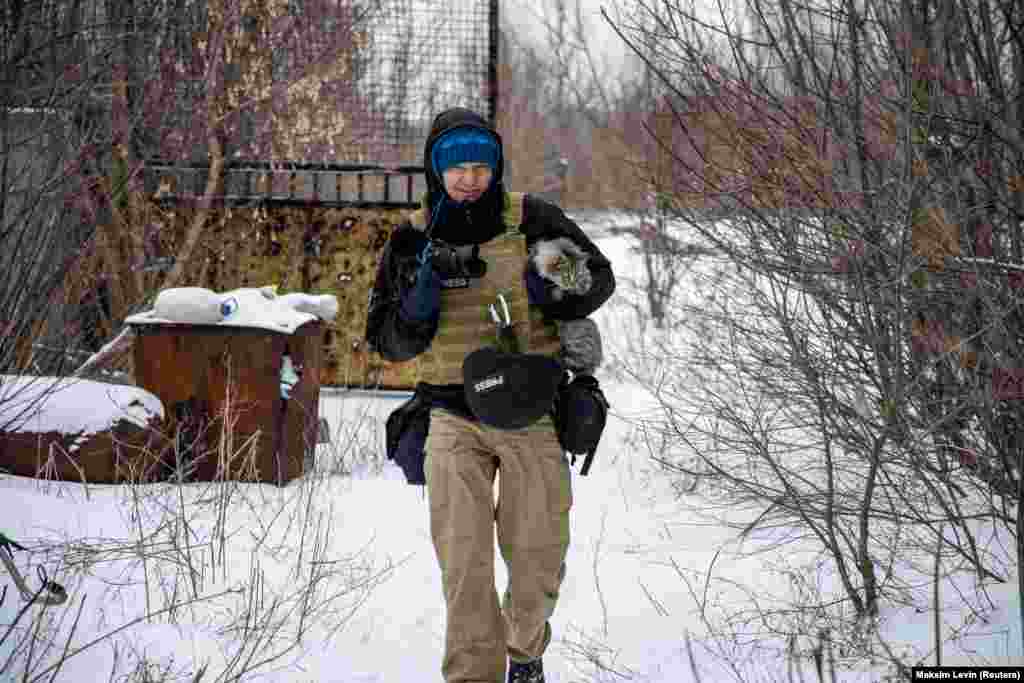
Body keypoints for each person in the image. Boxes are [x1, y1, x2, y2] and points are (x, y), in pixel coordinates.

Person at [365, 107, 615, 683]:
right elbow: (386, 340)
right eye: (457, 168)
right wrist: (421, 297)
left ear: (496, 166)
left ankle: (525, 651)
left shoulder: (532, 219)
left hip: (531, 411)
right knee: (465, 567)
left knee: (536, 558)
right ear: (435, 171)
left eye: (481, 166)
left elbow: (598, 279)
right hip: (451, 415)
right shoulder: (412, 237)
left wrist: (552, 281)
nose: (470, 178)